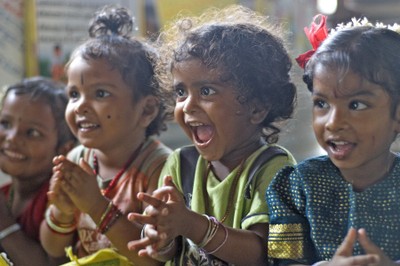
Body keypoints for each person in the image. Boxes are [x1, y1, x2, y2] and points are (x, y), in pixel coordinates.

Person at [127, 5, 297, 265]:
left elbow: (262, 255)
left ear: (257, 107)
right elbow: (169, 253)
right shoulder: (179, 166)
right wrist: (160, 238)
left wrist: (194, 226)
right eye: (181, 92)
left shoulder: (274, 169)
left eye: (206, 91)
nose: (188, 105)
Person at [39, 5, 172, 265]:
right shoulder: (78, 158)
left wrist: (97, 206)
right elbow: (52, 250)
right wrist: (62, 212)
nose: (80, 106)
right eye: (74, 94)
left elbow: (153, 260)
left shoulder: (160, 167)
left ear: (146, 109)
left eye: (100, 94)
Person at [267, 14, 400, 265]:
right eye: (322, 103)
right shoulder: (296, 188)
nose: (333, 122)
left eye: (356, 104)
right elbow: (281, 260)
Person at [0, 77, 76, 265]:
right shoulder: (5, 195)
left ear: (63, 150)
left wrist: (5, 225)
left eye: (32, 132)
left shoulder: (60, 202)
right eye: (5, 124)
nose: (12, 138)